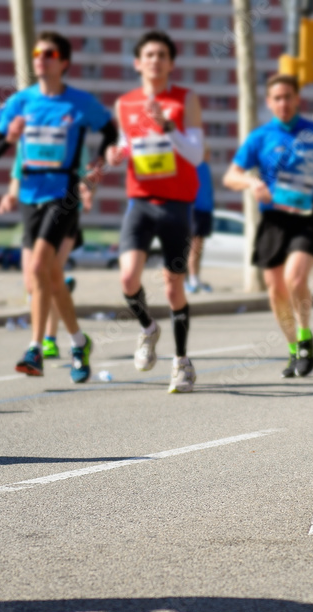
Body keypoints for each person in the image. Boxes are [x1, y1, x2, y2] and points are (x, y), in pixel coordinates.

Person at [0, 31, 116, 382]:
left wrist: (98, 163)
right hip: (30, 196)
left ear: (64, 62)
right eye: (37, 52)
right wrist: (10, 138)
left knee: (41, 265)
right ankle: (78, 342)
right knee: (49, 279)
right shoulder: (20, 102)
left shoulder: (79, 103)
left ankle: (35, 348)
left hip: (64, 193)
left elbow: (111, 129)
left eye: (49, 53)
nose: (40, 58)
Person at [224, 74, 313, 378]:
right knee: (275, 289)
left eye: (288, 96)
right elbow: (230, 176)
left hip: (307, 217)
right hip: (273, 219)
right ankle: (292, 348)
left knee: (294, 277)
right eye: (277, 98)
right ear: (269, 102)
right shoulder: (260, 137)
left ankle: (304, 337)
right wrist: (251, 182)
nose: (283, 103)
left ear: (297, 99)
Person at [106, 31, 204, 394]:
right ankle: (148, 328)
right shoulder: (126, 104)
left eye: (162, 55)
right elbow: (124, 145)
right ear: (138, 63)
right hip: (141, 202)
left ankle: (181, 362)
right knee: (128, 278)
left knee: (172, 285)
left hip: (177, 205)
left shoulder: (184, 100)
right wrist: (114, 155)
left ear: (170, 63)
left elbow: (195, 155)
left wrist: (167, 126)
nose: (155, 60)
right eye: (148, 55)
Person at [0, 153, 87, 358]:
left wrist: (87, 189)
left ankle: (46, 341)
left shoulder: (68, 128)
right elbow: (17, 172)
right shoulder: (28, 132)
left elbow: (86, 170)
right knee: (33, 283)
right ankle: (75, 339)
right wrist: (11, 194)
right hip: (34, 212)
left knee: (46, 275)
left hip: (63, 211)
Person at [186, 149, 215, 294]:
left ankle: (196, 278)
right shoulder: (192, 165)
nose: (209, 154)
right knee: (194, 246)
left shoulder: (206, 167)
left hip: (206, 210)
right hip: (194, 210)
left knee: (199, 247)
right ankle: (191, 280)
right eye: (206, 151)